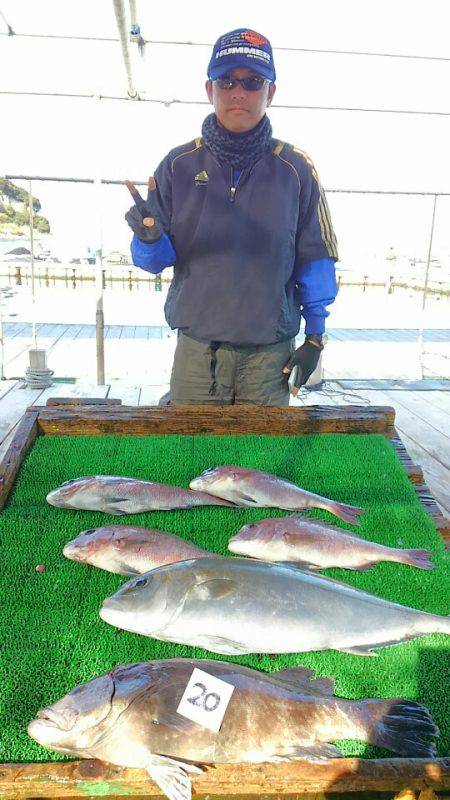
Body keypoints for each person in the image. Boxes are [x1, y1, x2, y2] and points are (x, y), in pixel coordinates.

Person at [125, 28, 338, 406]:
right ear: (210, 90)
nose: (239, 92)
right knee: (189, 456)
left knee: (259, 461)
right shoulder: (177, 165)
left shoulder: (297, 169)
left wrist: (315, 338)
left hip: (270, 357)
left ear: (270, 92)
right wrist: (149, 239)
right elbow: (153, 264)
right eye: (227, 81)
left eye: (253, 82)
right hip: (196, 353)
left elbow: (315, 262)